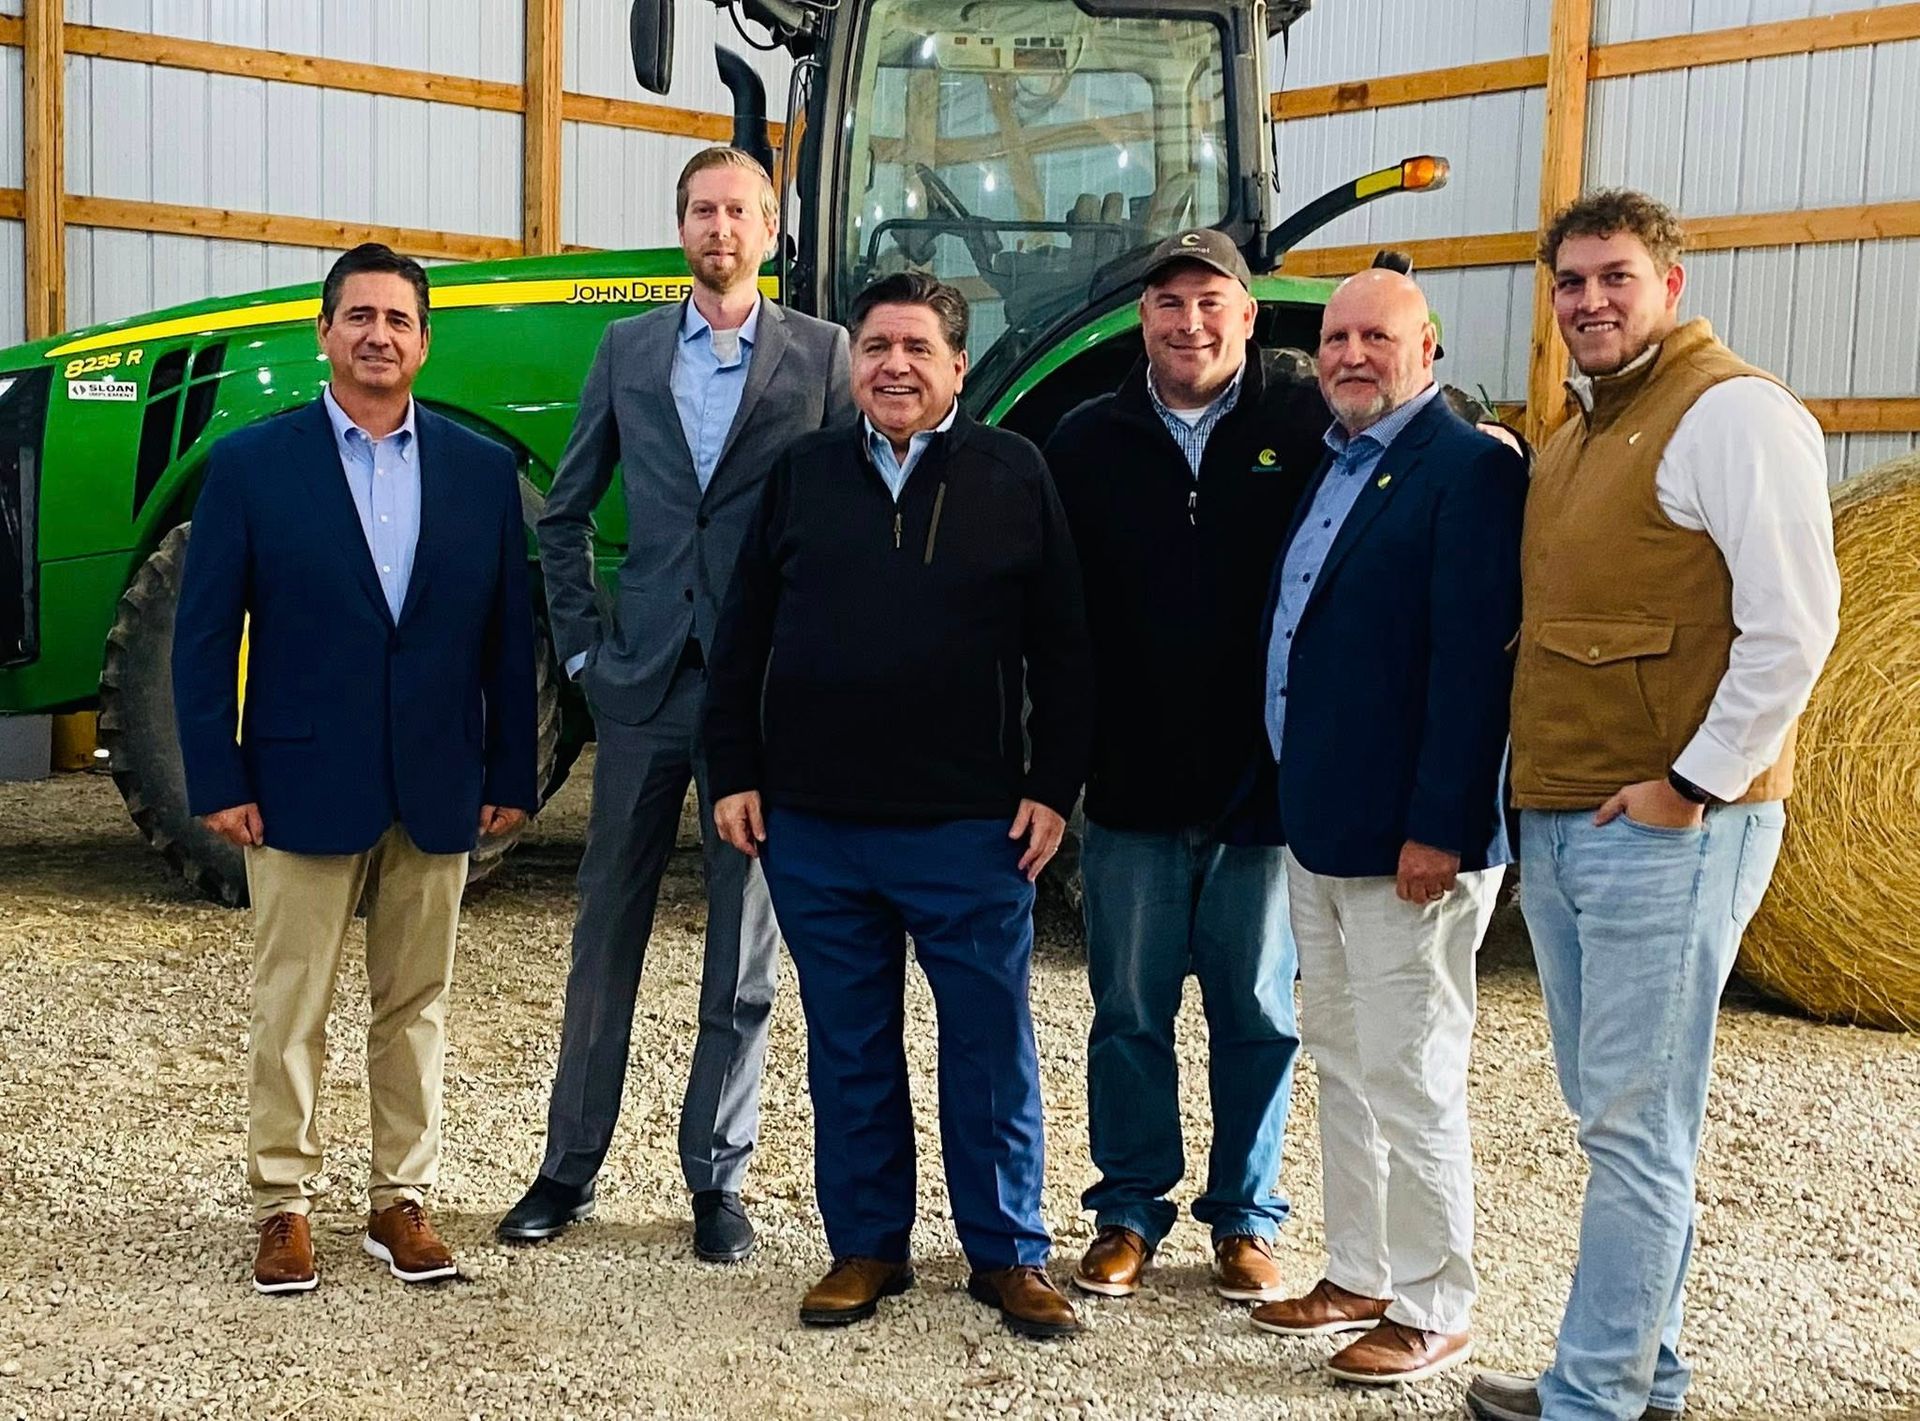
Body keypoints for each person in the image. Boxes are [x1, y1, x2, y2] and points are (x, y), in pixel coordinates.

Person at [1467, 190, 1840, 1421]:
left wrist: (1692, 783)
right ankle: (1644, 1371)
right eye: (1569, 282)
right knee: (1619, 1109)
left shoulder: (1732, 412)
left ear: (1670, 285)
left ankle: (1597, 1394)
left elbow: (1795, 627)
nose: (1589, 301)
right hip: (1573, 816)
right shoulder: (1579, 432)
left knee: (1634, 1120)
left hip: (1662, 826)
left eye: (1614, 276)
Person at [704, 272, 1093, 1339]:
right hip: (818, 828)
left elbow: (1065, 647)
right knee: (851, 1045)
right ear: (853, 360)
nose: (894, 365)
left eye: (918, 347)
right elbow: (739, 638)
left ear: (958, 365)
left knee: (988, 1046)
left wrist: (1052, 787)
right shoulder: (803, 475)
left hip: (970, 830)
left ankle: (1009, 1252)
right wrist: (734, 768)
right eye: (876, 345)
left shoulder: (1016, 473)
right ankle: (867, 1244)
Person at [500, 147, 853, 1263]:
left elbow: (841, 522)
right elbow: (562, 515)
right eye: (703, 210)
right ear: (682, 226)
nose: (721, 227)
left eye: (740, 211)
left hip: (761, 697)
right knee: (606, 924)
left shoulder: (824, 354)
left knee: (744, 946)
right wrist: (586, 652)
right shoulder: (628, 348)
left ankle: (718, 1177)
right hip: (645, 680)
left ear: (769, 229)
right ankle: (567, 1166)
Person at [172, 242, 538, 1294]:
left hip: (437, 780)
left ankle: (399, 1198)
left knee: (415, 999)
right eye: (359, 316)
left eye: (399, 319)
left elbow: (507, 640)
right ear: (324, 332)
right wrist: (217, 775)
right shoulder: (251, 465)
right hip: (296, 778)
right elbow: (202, 638)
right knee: (290, 999)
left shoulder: (479, 471)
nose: (379, 334)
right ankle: (281, 1203)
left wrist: (508, 763)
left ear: (426, 341)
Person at [1239, 269, 1525, 1385]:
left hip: (1413, 840)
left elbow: (1472, 665)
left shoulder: (1469, 469)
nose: (1351, 352)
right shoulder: (1336, 460)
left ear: (1429, 347)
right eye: (1339, 336)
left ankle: (1436, 1298)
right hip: (1323, 821)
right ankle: (1358, 1269)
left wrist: (1442, 825)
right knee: (1344, 1056)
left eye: (1377, 335)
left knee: (1411, 1064)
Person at [1042, 229, 1323, 1305]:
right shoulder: (1084, 441)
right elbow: (1055, 625)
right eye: (1169, 303)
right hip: (1132, 788)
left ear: (1249, 317)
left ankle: (1246, 1218)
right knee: (1128, 1009)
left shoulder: (1300, 427)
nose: (1190, 322)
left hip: (1261, 793)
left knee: (1259, 1014)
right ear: (1142, 320)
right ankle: (1127, 1207)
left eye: (1212, 302)